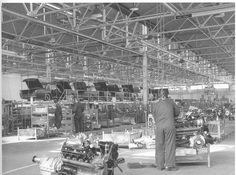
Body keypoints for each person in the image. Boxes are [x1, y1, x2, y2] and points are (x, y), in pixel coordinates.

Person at [152, 89, 180, 171]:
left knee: (159, 145)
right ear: (167, 94)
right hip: (169, 126)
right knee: (170, 145)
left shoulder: (156, 104)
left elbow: (154, 115)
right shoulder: (171, 102)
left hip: (159, 127)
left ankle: (160, 166)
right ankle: (169, 166)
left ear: (159, 95)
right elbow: (177, 112)